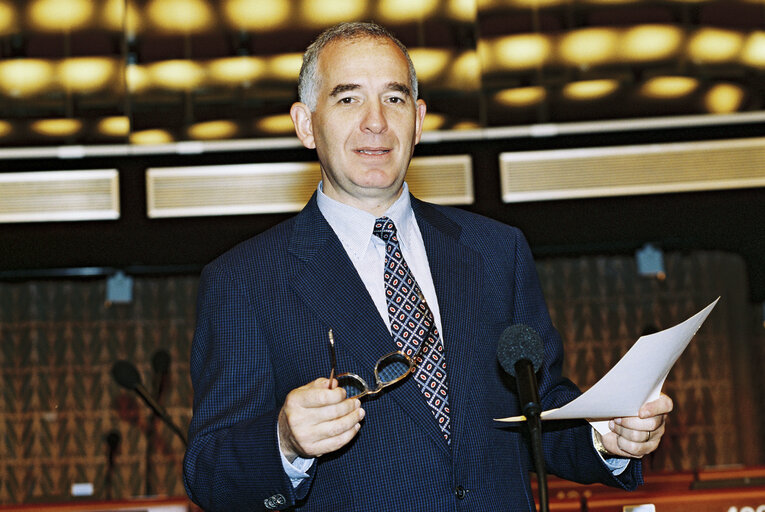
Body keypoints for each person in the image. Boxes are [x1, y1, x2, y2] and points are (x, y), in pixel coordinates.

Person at [182, 21, 673, 512]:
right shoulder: (244, 280)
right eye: (348, 99)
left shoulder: (496, 251)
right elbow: (209, 473)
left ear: (418, 120)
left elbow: (536, 415)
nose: (375, 121)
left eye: (394, 99)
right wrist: (285, 441)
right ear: (306, 124)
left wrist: (606, 436)